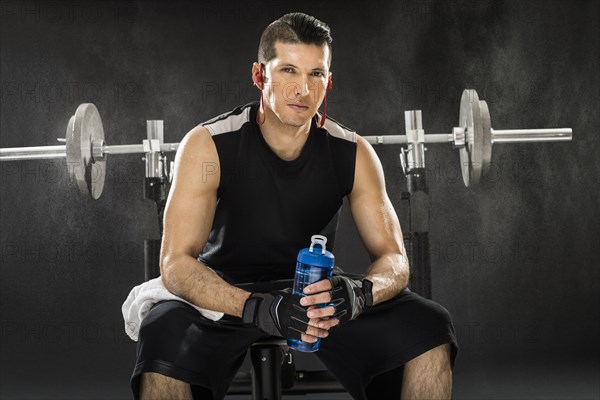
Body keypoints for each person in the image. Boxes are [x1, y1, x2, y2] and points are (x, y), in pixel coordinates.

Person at [131, 12, 458, 400]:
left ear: (328, 82)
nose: (302, 89)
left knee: (430, 326)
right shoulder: (209, 145)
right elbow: (175, 264)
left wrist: (356, 294)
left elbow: (394, 260)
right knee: (161, 333)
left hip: (316, 294)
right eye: (288, 70)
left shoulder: (353, 152)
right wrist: (259, 308)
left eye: (316, 74)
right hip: (227, 295)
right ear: (259, 76)